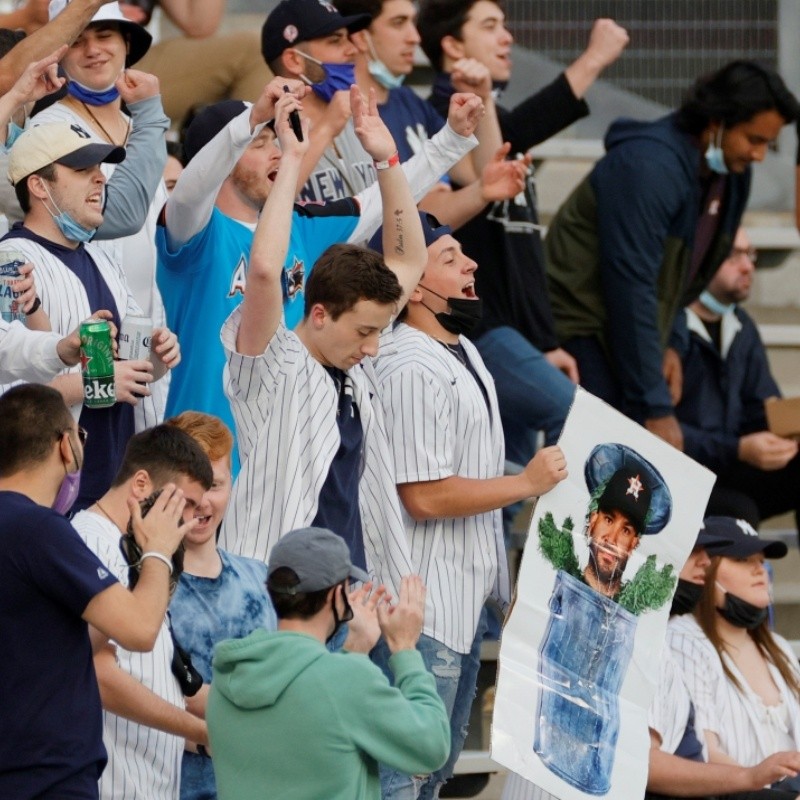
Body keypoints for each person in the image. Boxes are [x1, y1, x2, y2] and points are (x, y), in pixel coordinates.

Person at [219, 88, 467, 597]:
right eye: (363, 332)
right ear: (318, 313)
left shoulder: (353, 369)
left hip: (353, 596)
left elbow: (408, 261)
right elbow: (265, 270)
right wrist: (292, 160)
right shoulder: (272, 363)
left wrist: (386, 160)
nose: (373, 347)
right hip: (274, 598)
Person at [157, 78, 480, 468]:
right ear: (222, 158)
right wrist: (253, 119)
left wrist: (449, 142)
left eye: (276, 140)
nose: (276, 153)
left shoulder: (299, 227)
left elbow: (378, 203)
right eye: (259, 144)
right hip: (200, 464)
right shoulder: (193, 232)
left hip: (286, 465)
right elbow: (190, 192)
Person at [368, 211, 566, 799]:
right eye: (449, 258)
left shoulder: (466, 353)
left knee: (434, 776)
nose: (471, 263)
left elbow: (468, 478)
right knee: (402, 779)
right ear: (413, 284)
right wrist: (524, 485)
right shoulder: (406, 362)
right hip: (420, 610)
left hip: (462, 602)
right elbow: (423, 494)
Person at [544, 61, 799, 450]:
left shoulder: (731, 174)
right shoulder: (648, 166)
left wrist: (673, 341)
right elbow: (631, 287)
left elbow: (685, 276)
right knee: (593, 477)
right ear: (716, 122)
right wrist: (656, 407)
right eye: (753, 139)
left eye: (768, 143)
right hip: (582, 332)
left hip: (626, 333)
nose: (760, 155)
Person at [418, 0, 627, 459]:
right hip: (480, 323)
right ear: (452, 44)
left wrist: (544, 342)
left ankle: (521, 534)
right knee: (575, 419)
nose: (507, 37)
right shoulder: (436, 113)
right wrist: (592, 59)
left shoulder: (494, 114)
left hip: (517, 330)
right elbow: (488, 163)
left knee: (507, 473)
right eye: (490, 26)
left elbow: (521, 252)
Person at [503, 520, 800, 800]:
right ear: (650, 554)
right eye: (691, 549)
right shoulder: (624, 634)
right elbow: (646, 765)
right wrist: (751, 778)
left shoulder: (638, 632)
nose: (704, 561)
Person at [0, 383, 196, 800]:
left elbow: (50, 646)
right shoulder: (38, 529)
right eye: (81, 435)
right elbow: (140, 630)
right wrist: (158, 552)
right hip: (47, 778)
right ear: (64, 445)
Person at [1, 122, 180, 511]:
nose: (100, 178)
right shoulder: (12, 263)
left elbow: (128, 374)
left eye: (99, 169)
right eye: (83, 170)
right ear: (39, 186)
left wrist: (155, 360)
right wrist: (96, 383)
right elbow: (9, 394)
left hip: (116, 487)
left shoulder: (100, 255)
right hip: (51, 497)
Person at [207, 526, 450, 800]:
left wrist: (354, 651)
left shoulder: (229, 675)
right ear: (336, 595)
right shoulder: (346, 681)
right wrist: (405, 648)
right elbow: (431, 747)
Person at [35, 0, 172, 426]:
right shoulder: (50, 129)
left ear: (127, 43)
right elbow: (122, 215)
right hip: (85, 337)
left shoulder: (141, 124)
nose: (93, 50)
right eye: (77, 40)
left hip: (146, 335)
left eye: (105, 35)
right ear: (58, 54)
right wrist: (152, 114)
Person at [70, 425, 212, 800]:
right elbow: (99, 675)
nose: (194, 520)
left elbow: (154, 680)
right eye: (187, 504)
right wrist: (200, 731)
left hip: (148, 783)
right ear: (141, 484)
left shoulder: (143, 551)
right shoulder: (92, 544)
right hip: (110, 785)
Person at [261, 0, 503, 213]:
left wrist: (454, 137)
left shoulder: (360, 126)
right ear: (295, 60)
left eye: (349, 38)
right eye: (336, 41)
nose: (352, 49)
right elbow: (265, 208)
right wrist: (326, 129)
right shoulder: (261, 133)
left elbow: (395, 210)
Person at [165, 411, 278, 800]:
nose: (202, 501)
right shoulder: (144, 585)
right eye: (189, 487)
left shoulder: (260, 579)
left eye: (214, 484)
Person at [675, 229, 800, 533]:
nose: (748, 266)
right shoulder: (669, 331)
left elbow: (761, 408)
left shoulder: (743, 326)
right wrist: (738, 449)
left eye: (751, 254)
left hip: (732, 466)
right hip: (680, 476)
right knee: (737, 511)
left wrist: (785, 428)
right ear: (700, 259)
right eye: (735, 256)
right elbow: (660, 431)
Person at [668, 517, 800, 795]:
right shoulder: (682, 638)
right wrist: (765, 789)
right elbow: (706, 751)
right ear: (706, 568)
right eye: (743, 560)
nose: (759, 570)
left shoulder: (778, 647)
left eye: (761, 560)